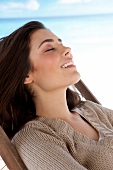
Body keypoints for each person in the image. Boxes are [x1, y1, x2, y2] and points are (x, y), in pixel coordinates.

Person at [0, 21, 113, 170]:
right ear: (26, 75)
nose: (67, 49)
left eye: (61, 43)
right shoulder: (34, 137)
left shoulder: (91, 111)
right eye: (50, 49)